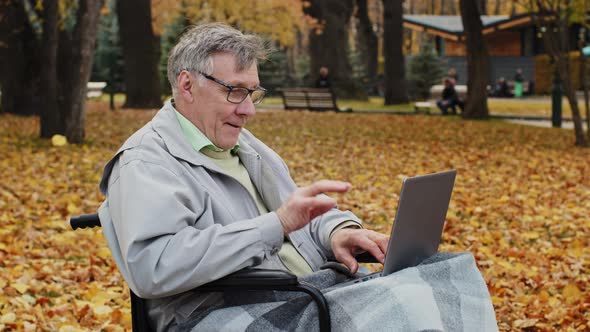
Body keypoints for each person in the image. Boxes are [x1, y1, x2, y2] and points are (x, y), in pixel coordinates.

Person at [98, 23, 496, 331]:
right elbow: (154, 268)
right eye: (235, 91)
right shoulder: (146, 162)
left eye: (253, 93)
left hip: (302, 290)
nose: (248, 110)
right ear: (187, 85)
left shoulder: (242, 143)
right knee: (406, 307)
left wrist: (339, 231)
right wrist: (275, 226)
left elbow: (298, 213)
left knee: (447, 271)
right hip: (224, 311)